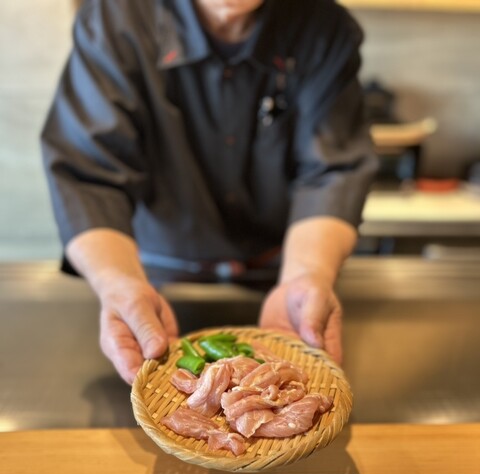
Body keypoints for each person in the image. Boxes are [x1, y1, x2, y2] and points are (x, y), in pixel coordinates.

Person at [41, 0, 378, 384]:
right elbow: (89, 176)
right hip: (152, 277)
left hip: (283, 276)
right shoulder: (115, 17)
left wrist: (307, 275)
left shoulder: (323, 26)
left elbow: (331, 173)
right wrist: (118, 282)